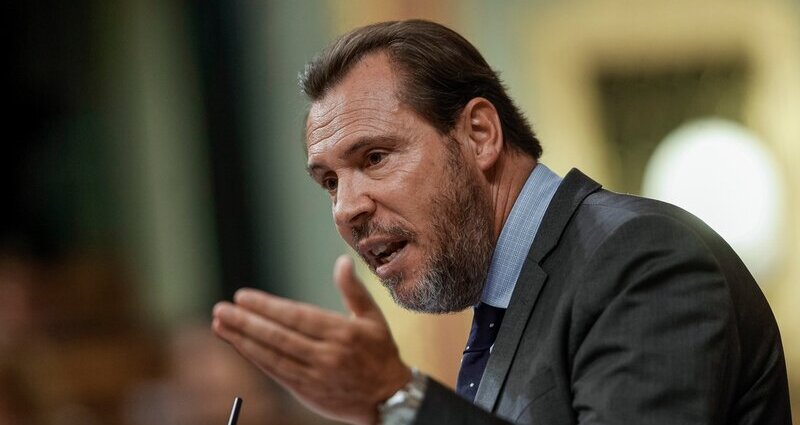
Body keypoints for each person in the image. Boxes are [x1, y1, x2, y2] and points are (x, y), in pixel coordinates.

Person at [211, 19, 792, 425]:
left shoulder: (640, 258)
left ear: (480, 134)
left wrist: (400, 398)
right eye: (329, 183)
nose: (346, 209)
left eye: (375, 157)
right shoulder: (506, 307)